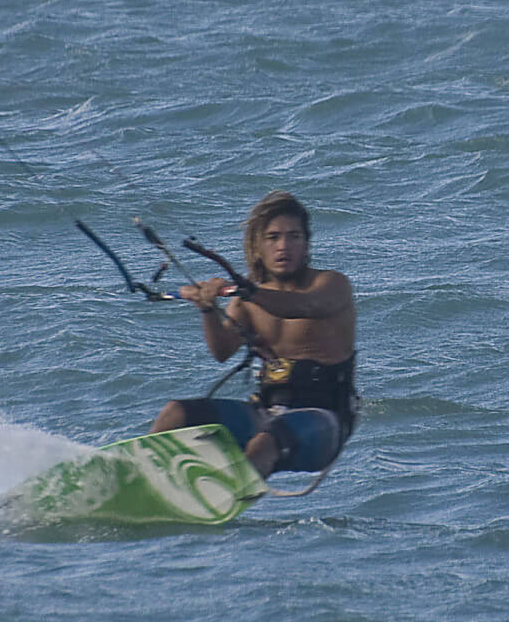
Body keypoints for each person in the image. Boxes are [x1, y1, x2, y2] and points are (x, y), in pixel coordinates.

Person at [149, 191, 358, 477]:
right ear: (258, 247)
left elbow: (305, 306)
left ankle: (221, 498)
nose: (284, 246)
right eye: (273, 238)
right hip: (265, 412)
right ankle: (141, 479)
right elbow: (222, 351)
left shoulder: (331, 284)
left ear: (307, 244)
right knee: (174, 414)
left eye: (294, 236)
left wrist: (250, 292)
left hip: (325, 421)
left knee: (264, 444)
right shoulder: (248, 297)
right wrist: (207, 309)